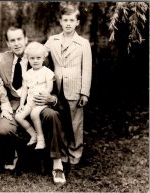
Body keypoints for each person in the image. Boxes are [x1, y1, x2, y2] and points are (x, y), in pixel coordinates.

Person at [0, 26, 67, 184]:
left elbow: (56, 90)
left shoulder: (40, 57)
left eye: (19, 39)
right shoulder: (1, 60)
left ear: (26, 39)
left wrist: (51, 99)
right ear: (7, 43)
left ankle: (57, 164)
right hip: (14, 103)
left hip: (40, 100)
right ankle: (11, 155)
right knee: (5, 128)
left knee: (52, 116)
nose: (17, 43)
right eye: (12, 40)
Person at [44, 4, 92, 166]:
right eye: (65, 20)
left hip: (75, 88)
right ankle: (62, 154)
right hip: (57, 88)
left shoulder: (83, 43)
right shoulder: (53, 40)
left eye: (72, 20)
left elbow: (86, 69)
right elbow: (40, 54)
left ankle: (75, 154)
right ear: (60, 21)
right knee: (61, 122)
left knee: (75, 123)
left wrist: (84, 92)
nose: (68, 23)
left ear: (77, 22)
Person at [15, 42, 55, 150]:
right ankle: (33, 134)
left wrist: (43, 94)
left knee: (34, 114)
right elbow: (24, 89)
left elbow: (49, 88)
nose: (35, 61)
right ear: (28, 59)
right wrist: (22, 104)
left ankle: (41, 139)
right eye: (32, 58)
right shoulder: (28, 73)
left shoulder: (47, 72)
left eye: (38, 58)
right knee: (18, 116)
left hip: (41, 101)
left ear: (43, 58)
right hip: (30, 102)